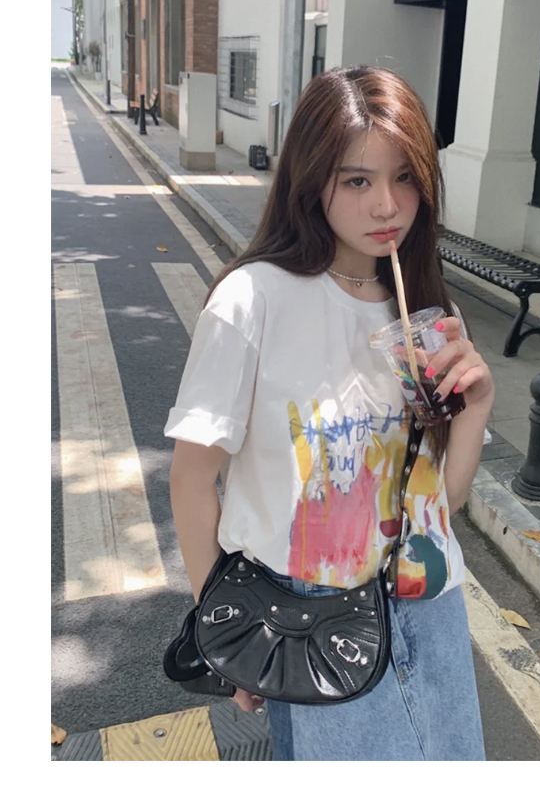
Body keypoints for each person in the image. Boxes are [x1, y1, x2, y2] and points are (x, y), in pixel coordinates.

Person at [165, 65, 495, 761]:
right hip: (309, 618)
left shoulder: (427, 311)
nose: (388, 206)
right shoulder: (253, 301)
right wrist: (223, 630)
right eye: (357, 181)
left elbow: (439, 506)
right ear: (313, 180)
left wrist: (475, 407)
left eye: (404, 177)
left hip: (429, 603)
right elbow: (192, 480)